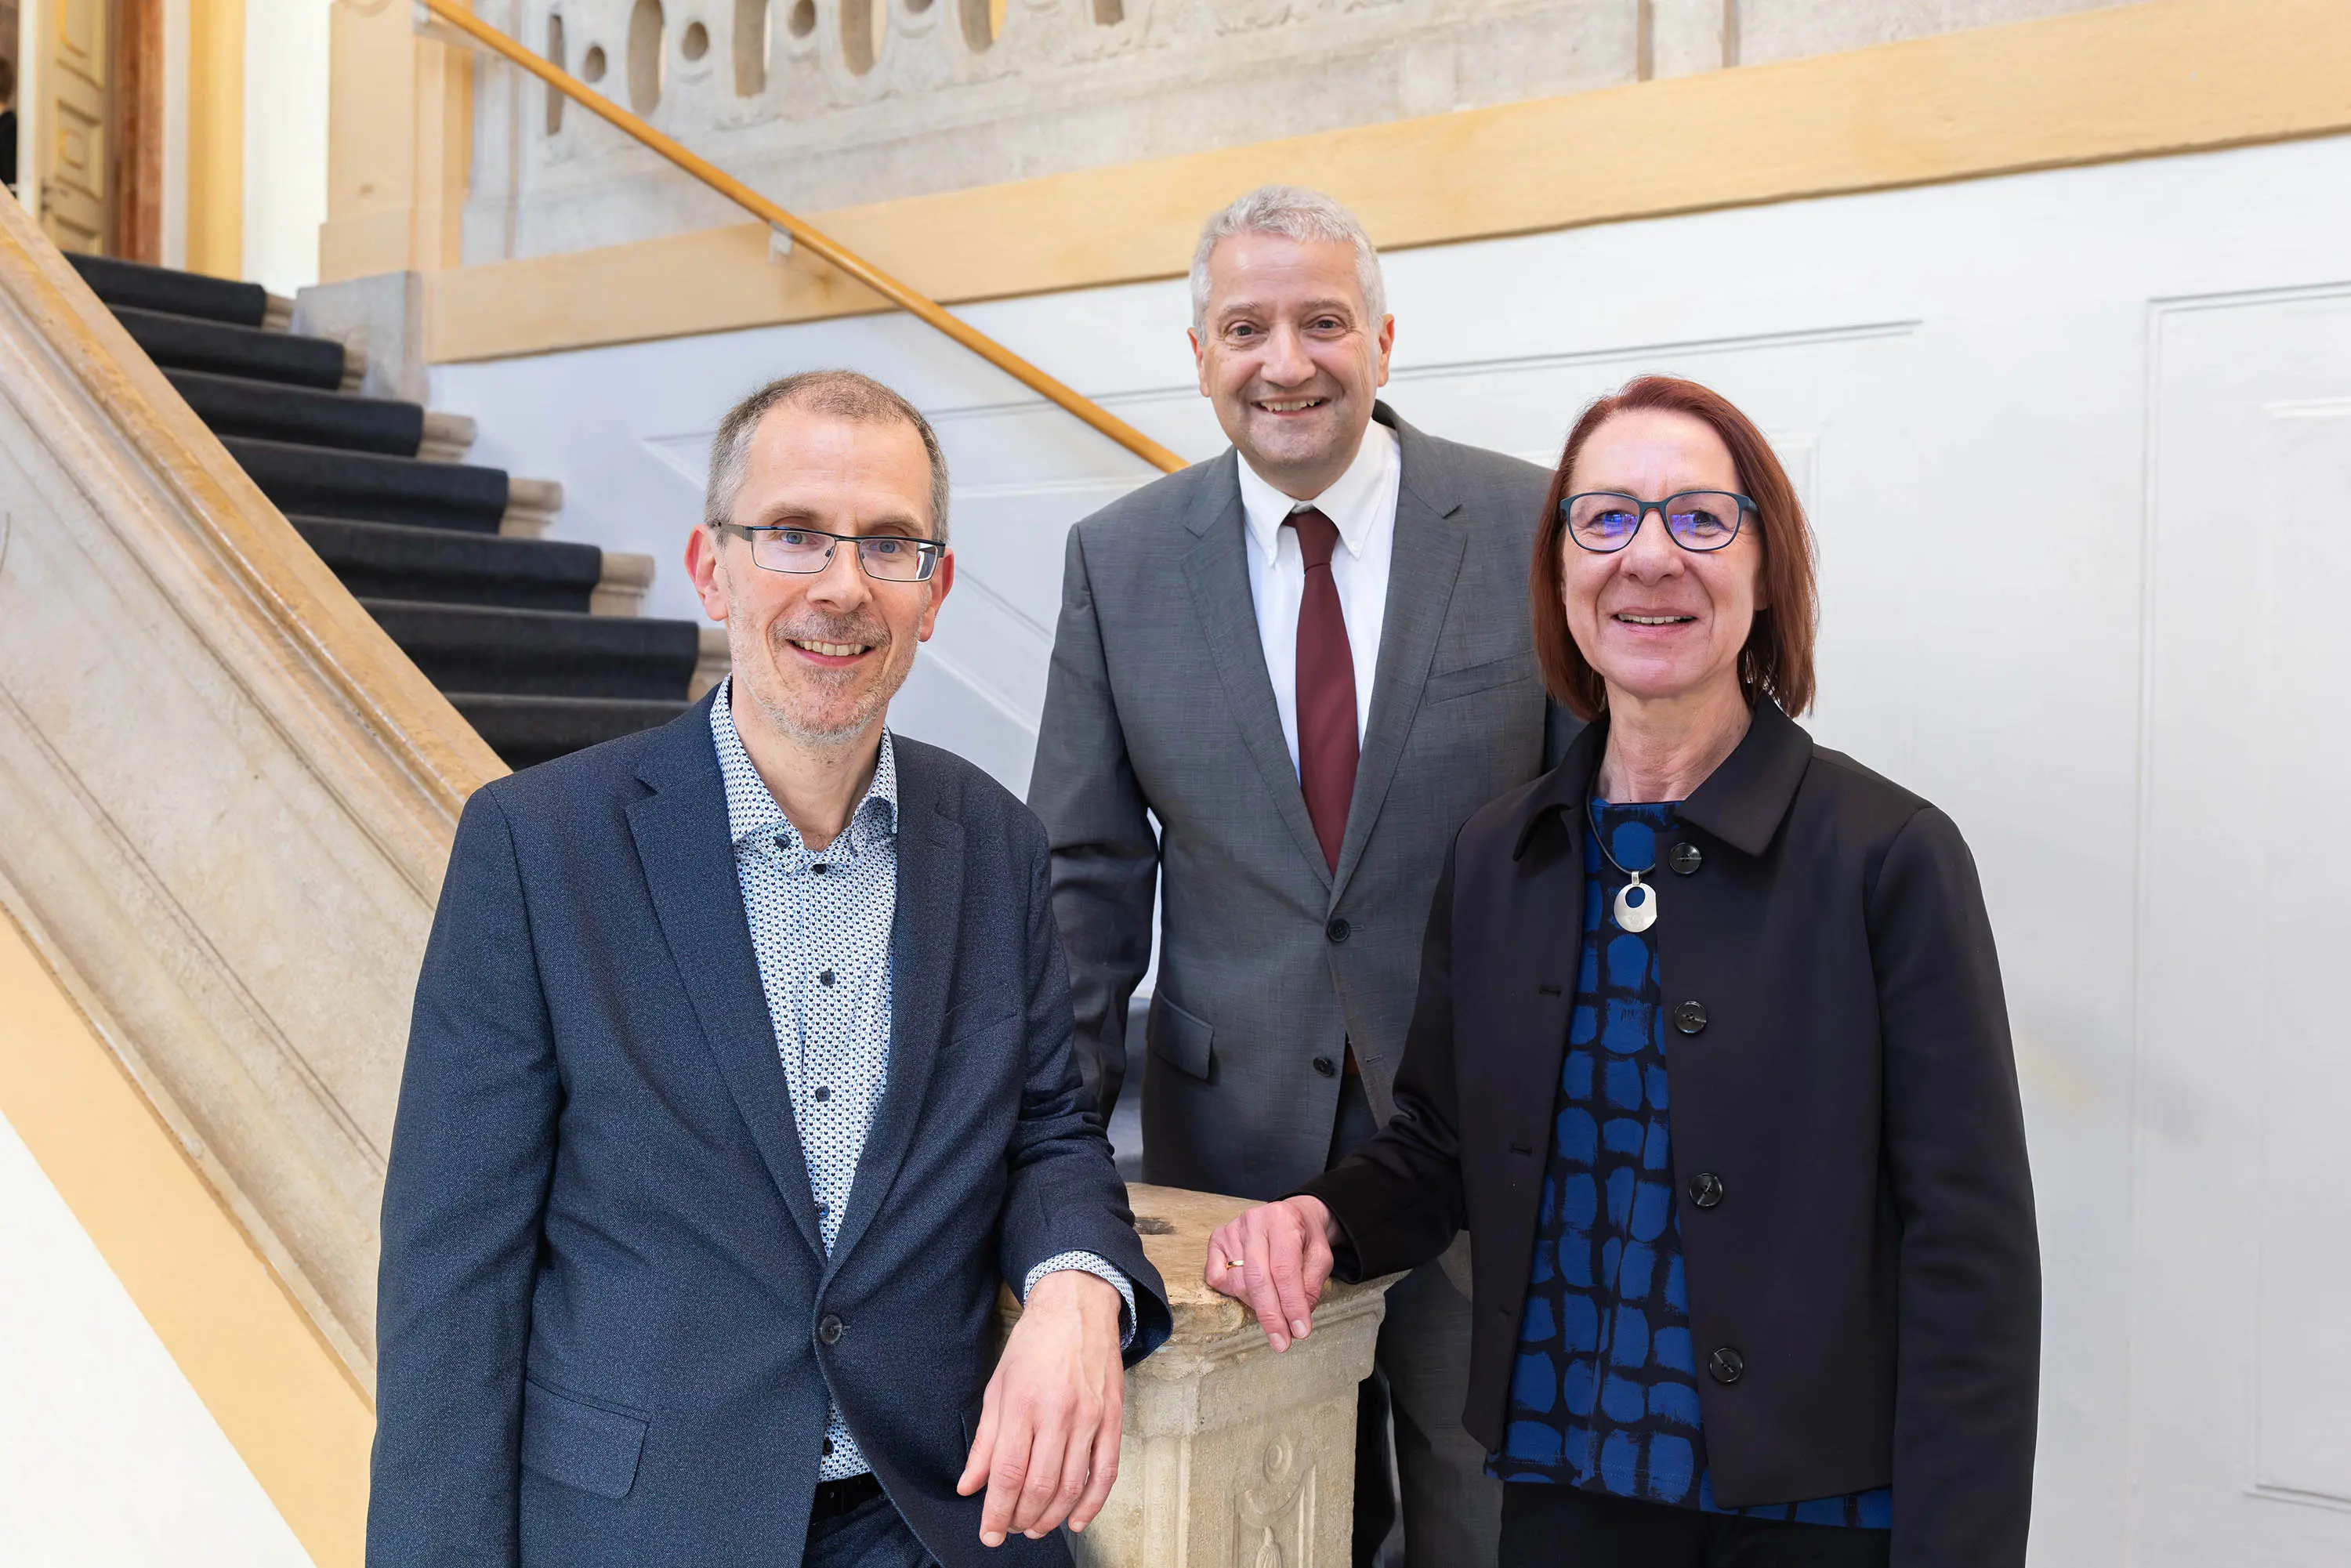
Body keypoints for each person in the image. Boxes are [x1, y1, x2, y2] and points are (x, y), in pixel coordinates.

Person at [1205, 375, 2041, 1567]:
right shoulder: (1501, 853)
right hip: (1565, 1482)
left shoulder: (1889, 855)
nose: (1650, 557)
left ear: (1767, 570)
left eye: (1700, 517)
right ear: (1560, 573)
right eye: (1604, 519)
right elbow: (1440, 1145)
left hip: (1820, 1514)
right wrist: (1324, 1217)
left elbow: (1971, 1256)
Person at [369, 370, 1172, 1568]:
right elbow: (454, 1277)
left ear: (935, 590)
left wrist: (1075, 1284)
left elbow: (1047, 1127)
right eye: (794, 533)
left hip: (929, 1515)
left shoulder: (996, 842)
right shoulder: (539, 847)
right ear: (712, 568)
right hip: (644, 1530)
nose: (843, 587)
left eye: (889, 544)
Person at [1029, 185, 1572, 1566]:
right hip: (1232, 1165)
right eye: (1246, 328)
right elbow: (1086, 883)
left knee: (1488, 1516)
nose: (1287, 362)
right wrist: (1052, 1159)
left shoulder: (1533, 526)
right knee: (1275, 1526)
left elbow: (1590, 843)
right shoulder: (1118, 562)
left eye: (1323, 322)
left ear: (1383, 339)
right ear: (1200, 353)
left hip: (1486, 1146)